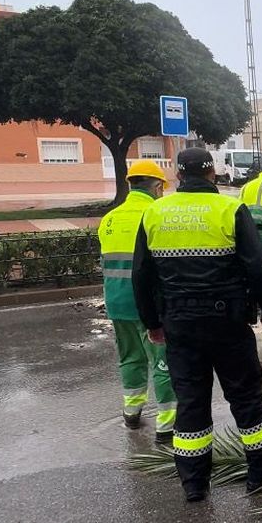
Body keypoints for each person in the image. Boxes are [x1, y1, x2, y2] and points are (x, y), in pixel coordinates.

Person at [133, 148, 262, 502]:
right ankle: (260, 474)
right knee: (246, 398)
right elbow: (258, 266)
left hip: (180, 325)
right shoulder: (229, 209)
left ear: (178, 176)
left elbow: (141, 275)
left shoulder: (155, 213)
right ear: (212, 173)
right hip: (228, 321)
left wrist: (152, 322)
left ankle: (195, 484)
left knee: (191, 402)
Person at [97, 160, 177, 443]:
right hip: (150, 305)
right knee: (164, 362)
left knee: (130, 358)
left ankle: (132, 412)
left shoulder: (109, 218)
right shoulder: (156, 214)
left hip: (117, 303)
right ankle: (167, 425)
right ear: (157, 187)